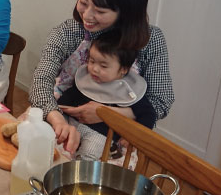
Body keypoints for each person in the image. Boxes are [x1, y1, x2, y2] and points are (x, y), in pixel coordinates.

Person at [29, 0, 174, 155]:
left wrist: (105, 114)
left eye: (100, 11)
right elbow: (41, 81)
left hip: (113, 137)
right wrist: (57, 119)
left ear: (126, 14)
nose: (87, 15)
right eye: (83, 2)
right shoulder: (68, 32)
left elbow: (161, 101)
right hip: (59, 117)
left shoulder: (150, 40)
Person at [56, 30, 157, 159]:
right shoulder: (86, 78)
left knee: (90, 151)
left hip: (100, 134)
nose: (94, 69)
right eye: (92, 61)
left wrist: (132, 138)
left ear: (123, 69)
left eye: (103, 66)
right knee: (55, 135)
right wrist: (60, 109)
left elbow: (148, 115)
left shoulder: (128, 91)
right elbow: (71, 94)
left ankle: (82, 168)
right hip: (73, 123)